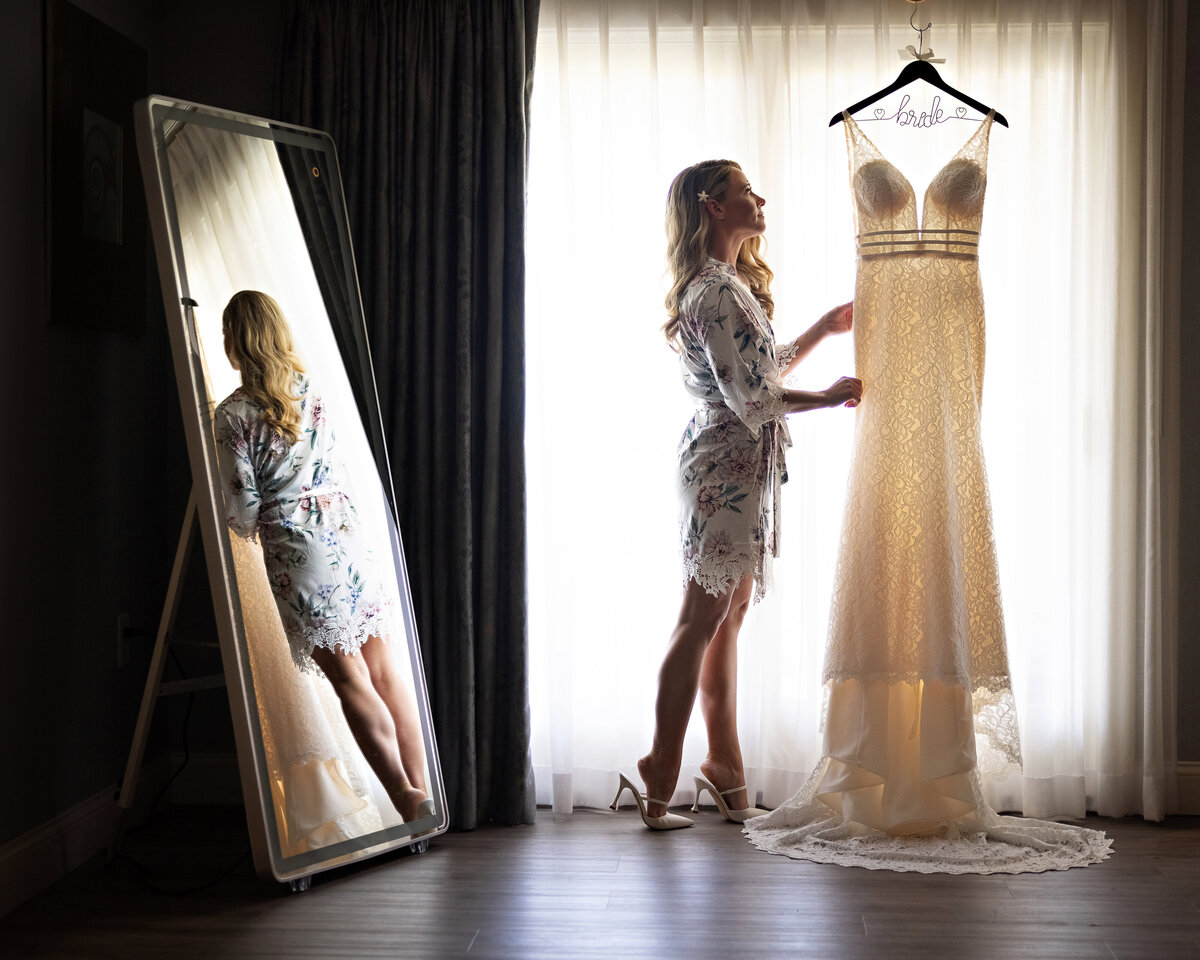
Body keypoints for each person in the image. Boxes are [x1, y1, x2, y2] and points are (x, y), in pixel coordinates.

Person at [610, 161, 863, 829]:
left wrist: (822, 328)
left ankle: (725, 765)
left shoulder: (725, 286)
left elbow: (757, 371)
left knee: (727, 618)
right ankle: (659, 770)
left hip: (736, 468)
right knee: (701, 617)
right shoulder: (714, 292)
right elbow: (754, 397)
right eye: (746, 189)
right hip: (724, 470)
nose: (761, 198)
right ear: (713, 206)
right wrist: (831, 395)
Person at [214, 290, 433, 825]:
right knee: (384, 670)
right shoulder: (308, 391)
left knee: (351, 680)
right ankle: (427, 792)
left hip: (299, 551)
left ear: (234, 341)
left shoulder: (233, 415)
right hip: (346, 534)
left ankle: (406, 799)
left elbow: (243, 511)